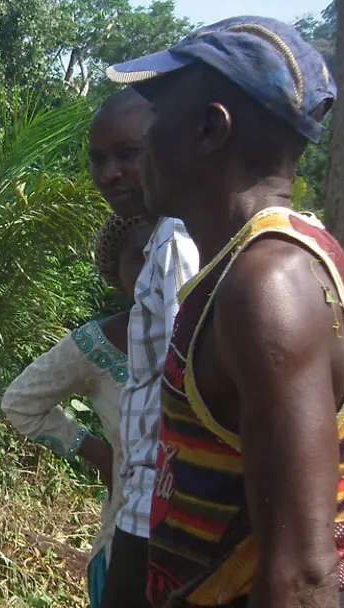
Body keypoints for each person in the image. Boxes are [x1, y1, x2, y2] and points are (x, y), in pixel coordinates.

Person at [107, 15, 344, 608]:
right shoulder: (251, 267)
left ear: (209, 129)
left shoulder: (266, 287)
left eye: (156, 117)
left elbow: (302, 577)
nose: (142, 144)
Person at [1, 212, 154, 608]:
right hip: (130, 546)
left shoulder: (217, 331)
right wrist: (100, 454)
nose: (155, 267)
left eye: (165, 253)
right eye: (139, 257)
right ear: (115, 273)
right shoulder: (99, 345)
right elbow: (21, 403)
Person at [88, 88, 200, 608]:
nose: (110, 173)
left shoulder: (178, 244)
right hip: (144, 497)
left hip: (164, 504)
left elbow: (186, 378)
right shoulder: (159, 242)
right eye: (99, 159)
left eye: (127, 153)